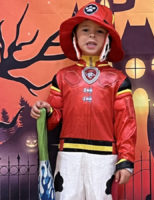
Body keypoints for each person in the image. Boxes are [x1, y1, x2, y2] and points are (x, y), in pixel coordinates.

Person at [30, 2, 137, 200]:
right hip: (68, 156)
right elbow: (54, 120)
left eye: (99, 31)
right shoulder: (62, 77)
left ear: (108, 39)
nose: (91, 36)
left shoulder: (118, 79)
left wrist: (125, 160)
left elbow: (126, 124)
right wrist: (46, 111)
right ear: (74, 37)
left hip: (105, 157)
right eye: (85, 30)